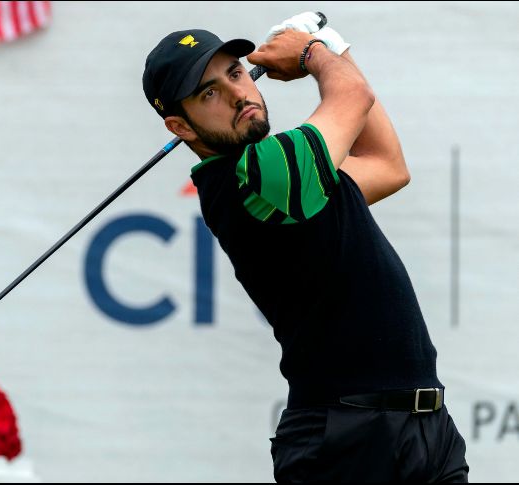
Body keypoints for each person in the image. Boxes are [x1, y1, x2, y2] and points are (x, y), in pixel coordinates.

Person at [141, 12, 468, 483]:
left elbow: (386, 164)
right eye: (208, 93)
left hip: (423, 429)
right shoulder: (259, 175)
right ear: (182, 127)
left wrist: (330, 44)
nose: (238, 93)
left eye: (235, 73)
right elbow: (353, 96)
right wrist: (314, 53)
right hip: (346, 440)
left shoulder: (294, 177)